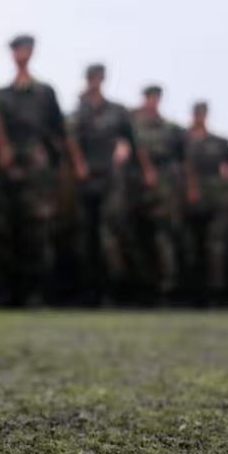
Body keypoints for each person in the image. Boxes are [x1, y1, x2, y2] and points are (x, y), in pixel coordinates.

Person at [0, 34, 73, 306]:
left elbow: (59, 133)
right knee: (5, 228)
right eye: (16, 49)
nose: (20, 54)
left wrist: (61, 169)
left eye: (24, 49)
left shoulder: (44, 93)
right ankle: (7, 292)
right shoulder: (1, 96)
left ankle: (36, 292)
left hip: (38, 170)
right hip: (8, 168)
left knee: (37, 230)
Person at [67, 63, 155, 305]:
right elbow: (70, 141)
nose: (94, 82)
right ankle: (90, 291)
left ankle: (116, 288)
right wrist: (79, 165)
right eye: (91, 78)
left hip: (111, 179)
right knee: (86, 234)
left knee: (111, 232)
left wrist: (147, 171)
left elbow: (135, 143)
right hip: (85, 180)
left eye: (97, 77)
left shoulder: (117, 111)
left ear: (102, 79)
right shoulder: (78, 112)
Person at [182, 101, 228, 304]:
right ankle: (193, 293)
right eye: (196, 113)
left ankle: (216, 293)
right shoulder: (183, 141)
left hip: (216, 201)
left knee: (216, 246)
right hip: (188, 203)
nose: (199, 117)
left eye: (202, 113)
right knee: (191, 247)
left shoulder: (219, 142)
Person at [129, 85, 188, 303]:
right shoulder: (133, 127)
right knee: (138, 235)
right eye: (149, 98)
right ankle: (144, 286)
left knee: (164, 234)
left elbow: (184, 158)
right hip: (136, 188)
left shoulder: (171, 129)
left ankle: (168, 286)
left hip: (165, 189)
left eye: (155, 98)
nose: (151, 102)